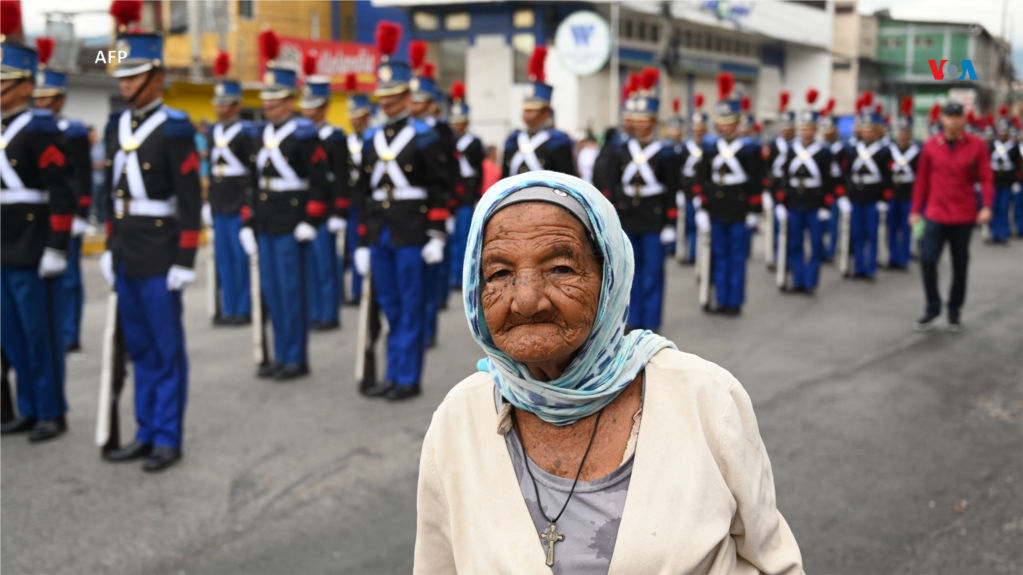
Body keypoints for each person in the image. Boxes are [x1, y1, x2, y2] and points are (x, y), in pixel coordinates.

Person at [412, 171, 804, 574]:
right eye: (499, 273)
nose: (526, 300)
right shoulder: (458, 418)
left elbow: (774, 563)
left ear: (610, 277)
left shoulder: (706, 397)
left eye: (561, 268)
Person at [99, 19, 202, 471]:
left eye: (133, 75)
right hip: (126, 249)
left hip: (161, 251)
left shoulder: (175, 128)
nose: (124, 83)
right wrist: (107, 245)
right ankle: (144, 430)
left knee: (164, 348)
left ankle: (167, 436)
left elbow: (191, 197)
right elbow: (110, 194)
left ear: (156, 77)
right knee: (138, 346)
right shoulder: (114, 125)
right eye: (121, 75)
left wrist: (185, 257)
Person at [352, 21, 448, 400]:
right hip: (380, 230)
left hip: (412, 230)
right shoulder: (372, 138)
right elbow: (363, 192)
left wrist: (437, 234)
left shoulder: (425, 137)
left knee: (410, 306)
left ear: (408, 96)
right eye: (383, 98)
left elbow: (439, 188)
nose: (386, 105)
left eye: (393, 98)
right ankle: (392, 373)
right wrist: (361, 240)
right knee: (389, 306)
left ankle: (407, 377)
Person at [238, 29, 331, 381]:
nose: (267, 104)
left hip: (293, 222)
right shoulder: (258, 134)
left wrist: (311, 219)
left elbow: (322, 182)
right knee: (273, 294)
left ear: (290, 100)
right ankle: (279, 354)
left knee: (292, 294)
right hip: (266, 222)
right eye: (265, 98)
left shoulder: (304, 134)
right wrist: (248, 223)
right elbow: (251, 184)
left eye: (275, 99)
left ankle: (296, 357)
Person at [0, 16, 76, 442]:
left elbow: (62, 192)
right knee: (10, 334)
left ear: (26, 86)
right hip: (3, 245)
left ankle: (51, 410)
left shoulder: (41, 127)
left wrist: (57, 247)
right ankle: (27, 407)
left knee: (39, 334)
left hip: (32, 244)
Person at [910, 102, 994, 333]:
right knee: (927, 260)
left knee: (960, 265)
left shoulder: (976, 146)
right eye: (949, 117)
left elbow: (986, 177)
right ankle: (932, 307)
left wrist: (986, 205)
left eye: (958, 117)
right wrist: (915, 211)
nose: (953, 121)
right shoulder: (930, 146)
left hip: (963, 215)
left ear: (963, 120)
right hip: (935, 214)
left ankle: (954, 311)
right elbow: (922, 181)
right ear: (942, 119)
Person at [33, 37, 93, 352]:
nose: (41, 104)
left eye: (48, 98)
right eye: (37, 98)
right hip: (41, 214)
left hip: (69, 213)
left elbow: (82, 176)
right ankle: (51, 330)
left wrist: (82, 214)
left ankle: (70, 333)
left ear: (61, 100)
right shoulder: (32, 129)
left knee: (69, 278)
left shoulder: (74, 130)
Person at [612, 67, 678, 330]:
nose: (638, 123)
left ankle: (650, 322)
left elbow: (672, 189)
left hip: (654, 218)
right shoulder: (620, 149)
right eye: (634, 118)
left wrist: (671, 224)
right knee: (630, 272)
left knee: (652, 274)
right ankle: (632, 319)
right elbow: (616, 184)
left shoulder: (666, 152)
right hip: (629, 215)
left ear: (653, 121)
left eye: (644, 118)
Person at [696, 74, 762, 316]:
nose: (724, 127)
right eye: (721, 123)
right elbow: (702, 179)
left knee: (736, 258)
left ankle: (734, 302)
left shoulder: (750, 148)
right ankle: (721, 299)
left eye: (729, 122)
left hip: (739, 209)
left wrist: (754, 212)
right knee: (719, 256)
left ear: (737, 123)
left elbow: (756, 182)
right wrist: (703, 206)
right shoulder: (710, 147)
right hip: (716, 208)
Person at [299, 51, 350, 331]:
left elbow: (341, 178)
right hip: (306, 207)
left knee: (325, 264)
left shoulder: (335, 137)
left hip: (327, 208)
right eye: (306, 105)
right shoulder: (299, 134)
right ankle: (314, 311)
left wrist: (339, 211)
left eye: (314, 106)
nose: (308, 111)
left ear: (325, 106)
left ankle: (328, 313)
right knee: (309, 265)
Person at [408, 51, 455, 347]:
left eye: (418, 100)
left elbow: (447, 172)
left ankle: (428, 331)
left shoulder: (439, 131)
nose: (413, 106)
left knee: (428, 278)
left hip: (434, 206)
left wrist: (445, 211)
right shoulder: (404, 130)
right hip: (408, 212)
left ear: (430, 103)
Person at [205, 50, 254, 326]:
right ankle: (229, 307)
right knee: (223, 260)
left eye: (226, 104)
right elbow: (212, 173)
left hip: (238, 201)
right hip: (219, 202)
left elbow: (251, 172)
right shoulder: (213, 132)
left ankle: (244, 308)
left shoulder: (246, 132)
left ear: (236, 105)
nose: (220, 109)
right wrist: (207, 203)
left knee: (239, 258)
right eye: (218, 104)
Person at [775, 88, 833, 295]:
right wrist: (781, 202)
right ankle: (798, 279)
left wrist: (826, 205)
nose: (806, 131)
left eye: (810, 128)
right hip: (794, 201)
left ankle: (810, 281)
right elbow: (783, 177)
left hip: (814, 202)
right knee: (795, 243)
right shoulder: (791, 151)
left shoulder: (824, 153)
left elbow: (829, 181)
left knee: (815, 244)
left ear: (815, 129)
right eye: (803, 128)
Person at [502, 46, 575, 178]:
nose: (526, 114)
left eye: (532, 110)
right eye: (525, 109)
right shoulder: (513, 140)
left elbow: (566, 181)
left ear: (546, 113)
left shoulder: (558, 142)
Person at [841, 95, 892, 280]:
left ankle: (870, 267)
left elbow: (888, 177)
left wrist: (884, 199)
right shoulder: (850, 150)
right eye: (864, 129)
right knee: (856, 234)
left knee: (872, 234)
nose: (867, 133)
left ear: (877, 131)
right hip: (855, 194)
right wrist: (845, 196)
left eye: (871, 130)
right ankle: (858, 266)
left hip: (873, 195)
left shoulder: (884, 151)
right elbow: (845, 174)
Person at [447, 81, 483, 290]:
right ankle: (452, 275)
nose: (456, 125)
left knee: (463, 236)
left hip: (467, 194)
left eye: (460, 122)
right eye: (454, 122)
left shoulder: (473, 142)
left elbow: (477, 170)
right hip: (452, 194)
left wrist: (477, 194)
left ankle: (462, 275)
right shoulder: (447, 140)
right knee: (452, 239)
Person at [342, 73, 372, 305]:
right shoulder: (347, 142)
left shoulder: (373, 139)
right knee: (354, 245)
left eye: (358, 116)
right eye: (352, 116)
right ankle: (356, 290)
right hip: (353, 198)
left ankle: (369, 289)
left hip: (371, 200)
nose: (354, 120)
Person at [887, 97, 920, 269]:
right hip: (893, 192)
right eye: (901, 131)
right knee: (892, 228)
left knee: (906, 229)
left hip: (909, 193)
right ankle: (893, 257)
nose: (903, 134)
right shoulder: (891, 149)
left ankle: (904, 258)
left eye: (907, 132)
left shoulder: (916, 151)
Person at [678, 94, 708, 264]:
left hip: (702, 189)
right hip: (688, 189)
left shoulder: (710, 147)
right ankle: (690, 253)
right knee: (688, 224)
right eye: (696, 127)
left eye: (701, 127)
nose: (698, 130)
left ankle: (700, 257)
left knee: (702, 227)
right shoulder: (686, 148)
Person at [988, 105, 1019, 244]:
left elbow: (1018, 165)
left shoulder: (1014, 146)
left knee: (1005, 208)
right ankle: (995, 234)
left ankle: (1004, 234)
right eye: (1001, 130)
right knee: (994, 208)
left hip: (1007, 181)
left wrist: (1017, 180)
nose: (1003, 133)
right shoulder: (992, 145)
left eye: (1005, 131)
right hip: (994, 180)